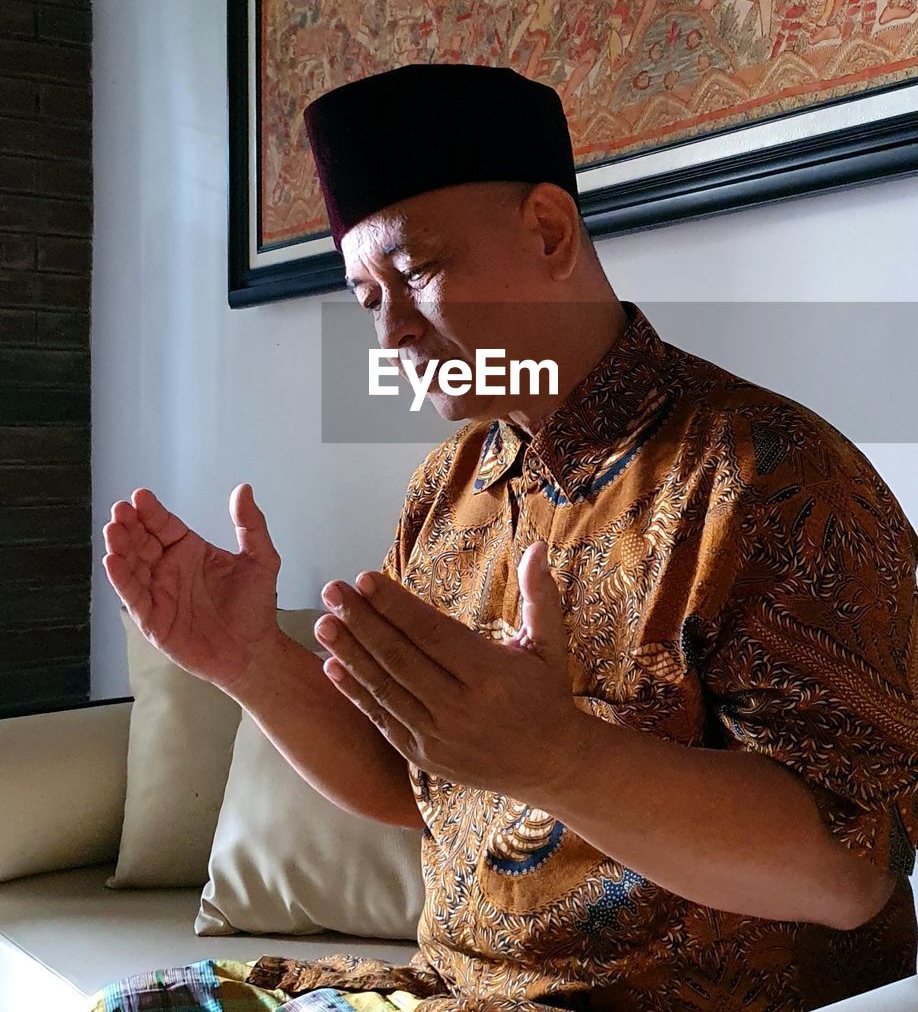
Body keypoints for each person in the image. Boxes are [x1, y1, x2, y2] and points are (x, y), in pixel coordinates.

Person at [97, 64, 918, 1012]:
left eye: (416, 273)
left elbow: (850, 870)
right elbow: (416, 784)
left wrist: (559, 755)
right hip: (451, 993)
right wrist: (245, 660)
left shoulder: (772, 475)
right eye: (368, 300)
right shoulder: (444, 491)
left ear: (548, 231)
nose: (391, 334)